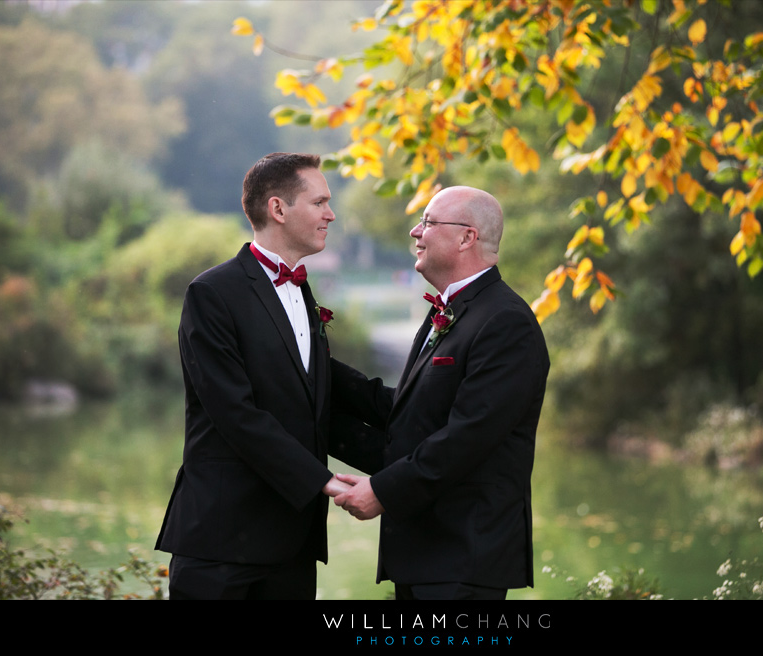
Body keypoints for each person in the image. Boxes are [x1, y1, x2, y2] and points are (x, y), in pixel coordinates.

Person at [330, 185, 550, 601]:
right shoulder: (447, 312)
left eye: (429, 222)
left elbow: (467, 438)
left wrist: (381, 491)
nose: (416, 231)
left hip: (464, 559)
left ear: (467, 237)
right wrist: (313, 372)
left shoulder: (506, 322)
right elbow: (409, 415)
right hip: (423, 555)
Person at [155, 152, 351, 600]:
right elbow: (236, 415)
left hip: (292, 544)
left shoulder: (300, 289)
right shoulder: (211, 294)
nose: (331, 213)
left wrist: (407, 439)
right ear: (278, 209)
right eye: (320, 202)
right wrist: (325, 481)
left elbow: (315, 393)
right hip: (221, 543)